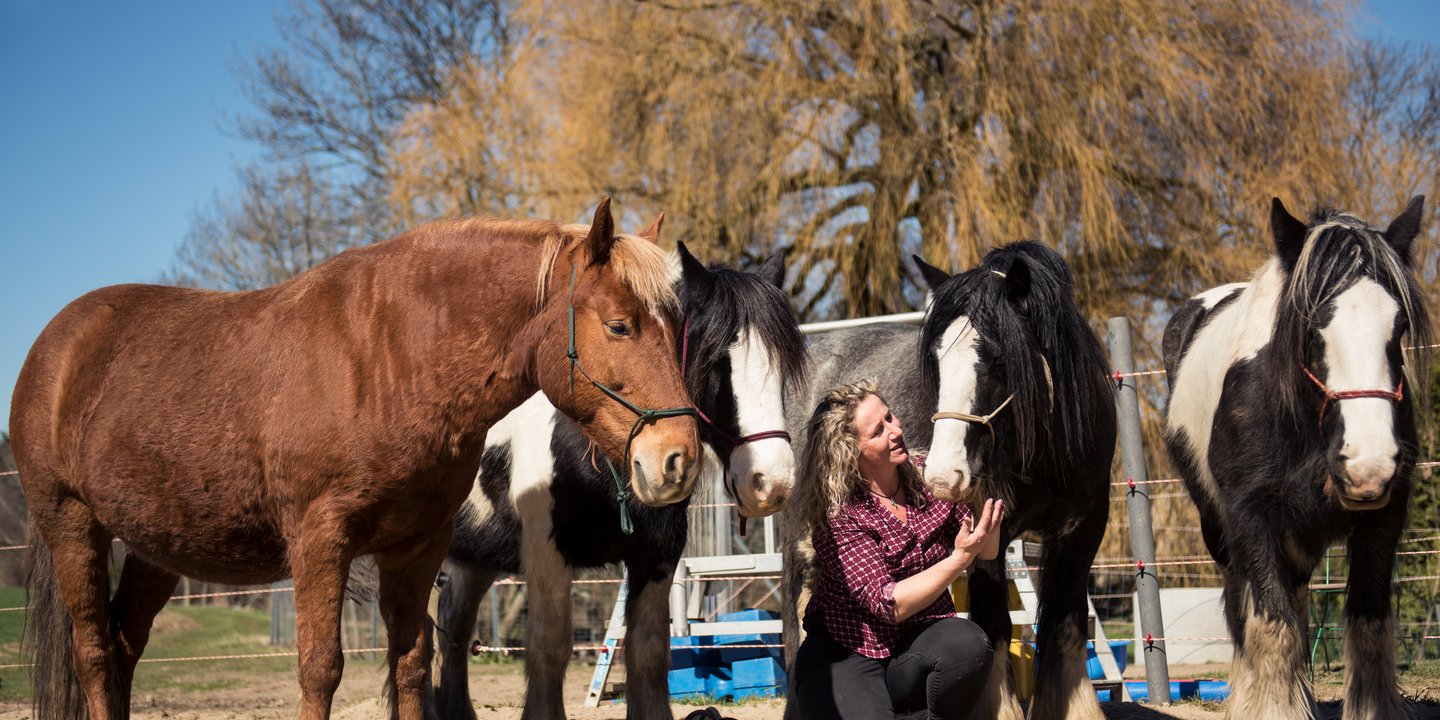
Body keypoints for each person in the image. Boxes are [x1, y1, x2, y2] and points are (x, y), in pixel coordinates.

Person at [788, 380, 1003, 719]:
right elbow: (888, 603)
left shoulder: (927, 476)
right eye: (878, 430)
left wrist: (979, 501)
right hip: (848, 653)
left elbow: (987, 552)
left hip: (915, 645)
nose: (895, 430)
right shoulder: (841, 515)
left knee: (968, 646)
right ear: (850, 451)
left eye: (890, 417)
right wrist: (959, 558)